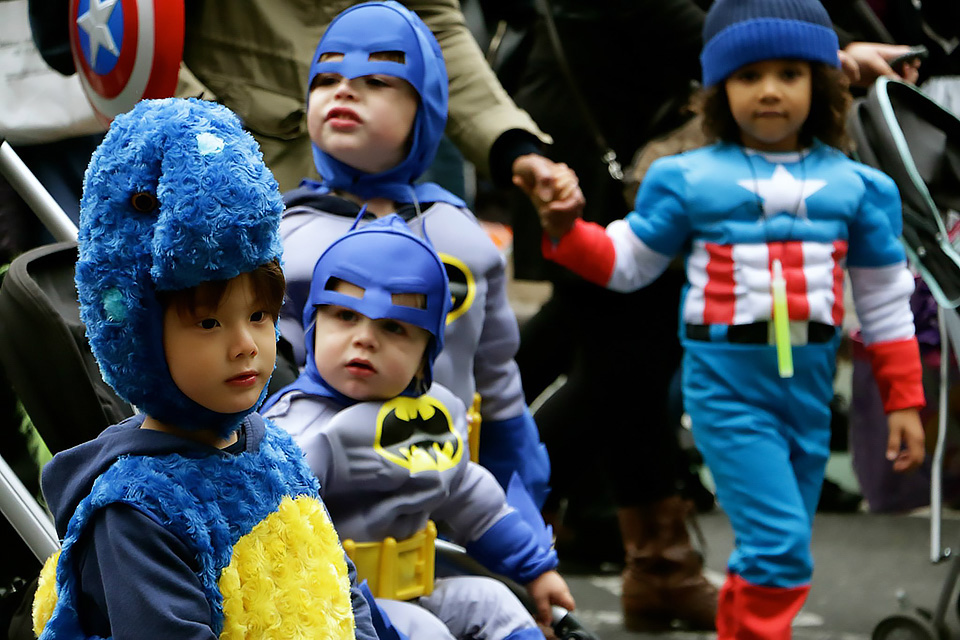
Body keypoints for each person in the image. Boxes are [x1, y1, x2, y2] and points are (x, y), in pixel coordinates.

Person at [539, 0, 927, 636]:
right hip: (725, 389)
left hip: (808, 388)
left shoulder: (861, 188)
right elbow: (629, 262)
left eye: (789, 74)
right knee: (779, 551)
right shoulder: (685, 177)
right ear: (719, 90)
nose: (769, 91)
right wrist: (566, 232)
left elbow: (885, 300)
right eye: (748, 76)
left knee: (777, 552)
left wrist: (904, 400)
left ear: (821, 82)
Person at [31, 98, 376, 640]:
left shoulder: (274, 450)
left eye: (260, 316)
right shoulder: (139, 513)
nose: (246, 346)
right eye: (209, 324)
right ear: (140, 334)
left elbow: (341, 583)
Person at [275, 1, 575, 508]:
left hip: (446, 508)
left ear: (428, 104)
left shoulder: (463, 239)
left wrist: (518, 502)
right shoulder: (281, 239)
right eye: (326, 79)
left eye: (378, 81)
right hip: (312, 513)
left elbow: (498, 381)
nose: (345, 90)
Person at [263, 214, 575, 639]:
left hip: (414, 587)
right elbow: (267, 532)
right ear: (315, 324)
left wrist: (537, 570)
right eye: (345, 316)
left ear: (426, 351)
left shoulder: (435, 415)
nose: (365, 338)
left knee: (499, 605)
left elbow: (470, 495)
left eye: (393, 327)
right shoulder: (295, 429)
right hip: (329, 609)